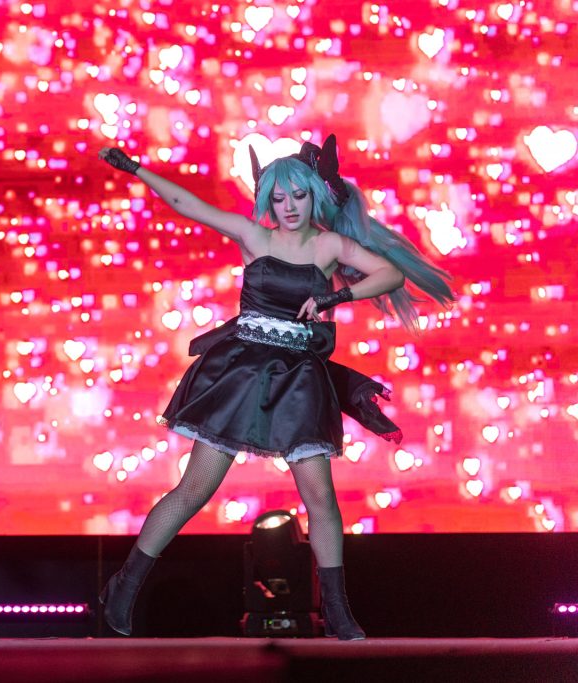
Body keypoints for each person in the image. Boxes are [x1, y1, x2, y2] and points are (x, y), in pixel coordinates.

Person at [97, 136, 453, 640]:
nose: (288, 207)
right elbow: (187, 204)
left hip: (298, 383)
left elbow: (390, 274)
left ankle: (337, 611)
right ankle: (125, 585)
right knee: (194, 490)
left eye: (298, 196)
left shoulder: (328, 245)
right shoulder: (253, 236)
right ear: (268, 199)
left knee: (320, 498)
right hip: (240, 376)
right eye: (279, 197)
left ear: (314, 196)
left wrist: (334, 299)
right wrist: (136, 169)